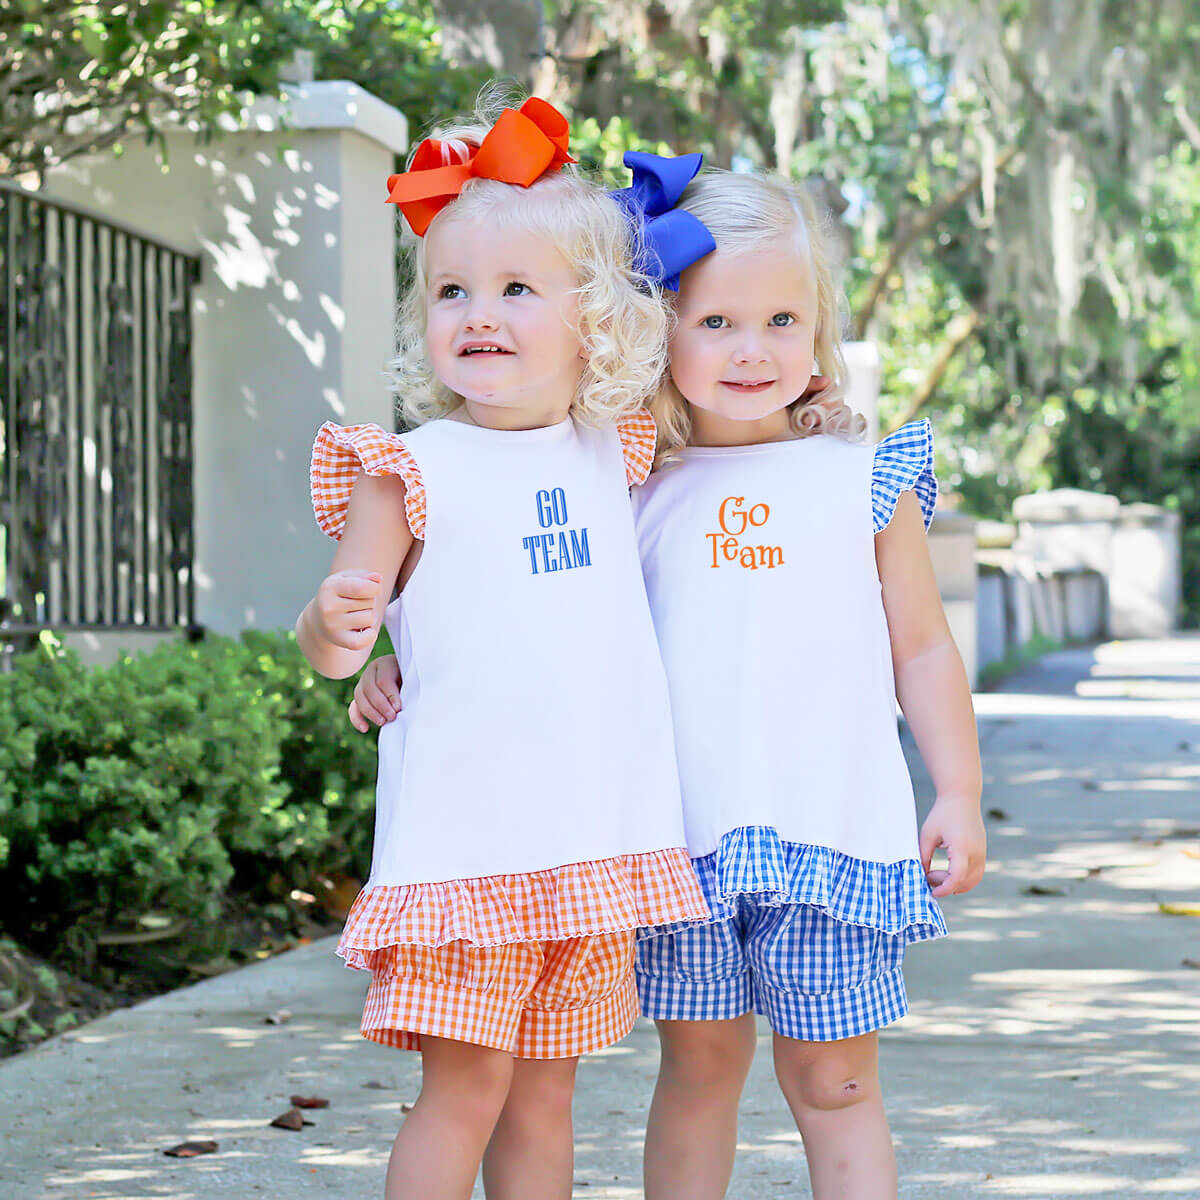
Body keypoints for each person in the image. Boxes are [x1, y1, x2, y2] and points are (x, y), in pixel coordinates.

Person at [296, 99, 708, 1200]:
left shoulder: (612, 447)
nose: (479, 314)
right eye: (451, 292)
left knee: (547, 1094)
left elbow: (730, 361)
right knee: (466, 1089)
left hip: (589, 843)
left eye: (517, 289)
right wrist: (339, 632)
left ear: (597, 320)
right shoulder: (408, 467)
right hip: (468, 850)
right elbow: (344, 632)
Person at [632, 168, 987, 1200]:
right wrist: (400, 657)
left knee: (835, 1081)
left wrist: (956, 791)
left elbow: (920, 647)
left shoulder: (862, 479)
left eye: (783, 318)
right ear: (661, 328)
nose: (753, 348)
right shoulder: (631, 484)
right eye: (719, 320)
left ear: (819, 327)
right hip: (686, 842)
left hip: (836, 834)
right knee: (698, 1070)